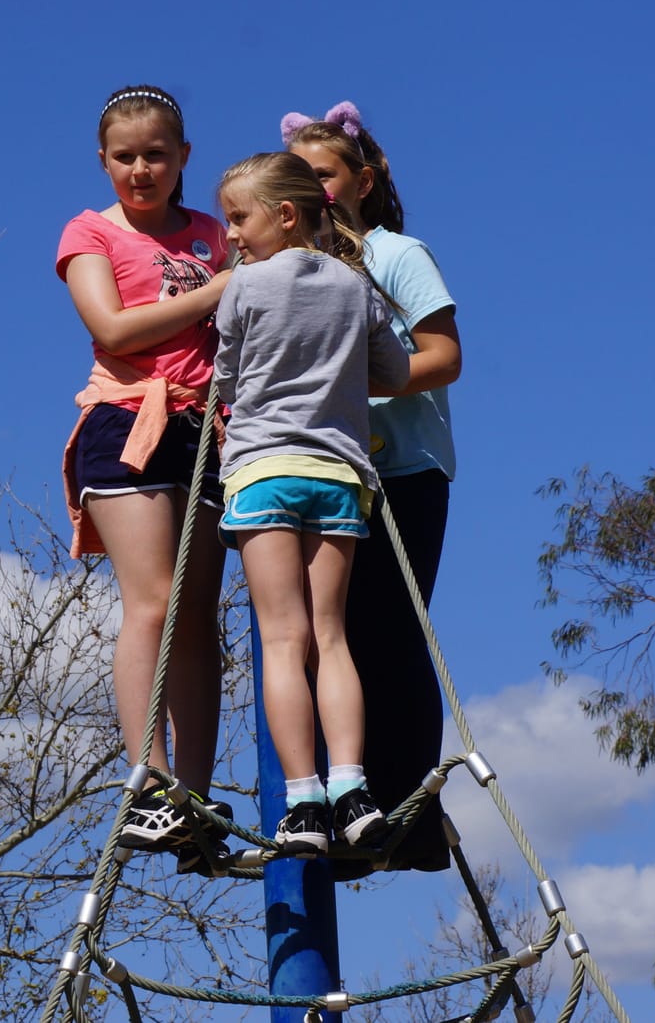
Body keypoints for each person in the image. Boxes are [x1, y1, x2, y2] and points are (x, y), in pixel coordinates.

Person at [213, 152, 412, 855]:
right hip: (337, 474)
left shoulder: (244, 286)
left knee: (281, 640)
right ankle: (352, 786)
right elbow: (394, 370)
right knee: (331, 635)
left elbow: (228, 379)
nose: (231, 234)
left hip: (263, 472)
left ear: (285, 215)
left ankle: (302, 801)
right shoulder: (356, 287)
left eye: (239, 218)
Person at [285, 101, 461, 872]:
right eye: (300, 177)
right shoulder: (291, 273)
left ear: (363, 177)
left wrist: (362, 383)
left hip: (402, 467)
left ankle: (411, 808)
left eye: (325, 174)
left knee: (392, 630)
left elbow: (443, 354)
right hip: (329, 472)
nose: (315, 190)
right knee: (332, 639)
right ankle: (344, 801)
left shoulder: (394, 253)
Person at [58, 84, 231, 864]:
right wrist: (227, 287)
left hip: (205, 429)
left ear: (182, 158)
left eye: (156, 154)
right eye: (125, 157)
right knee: (154, 602)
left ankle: (193, 797)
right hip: (129, 420)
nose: (140, 169)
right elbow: (114, 327)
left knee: (201, 618)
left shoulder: (213, 235)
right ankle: (148, 782)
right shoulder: (90, 231)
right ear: (103, 161)